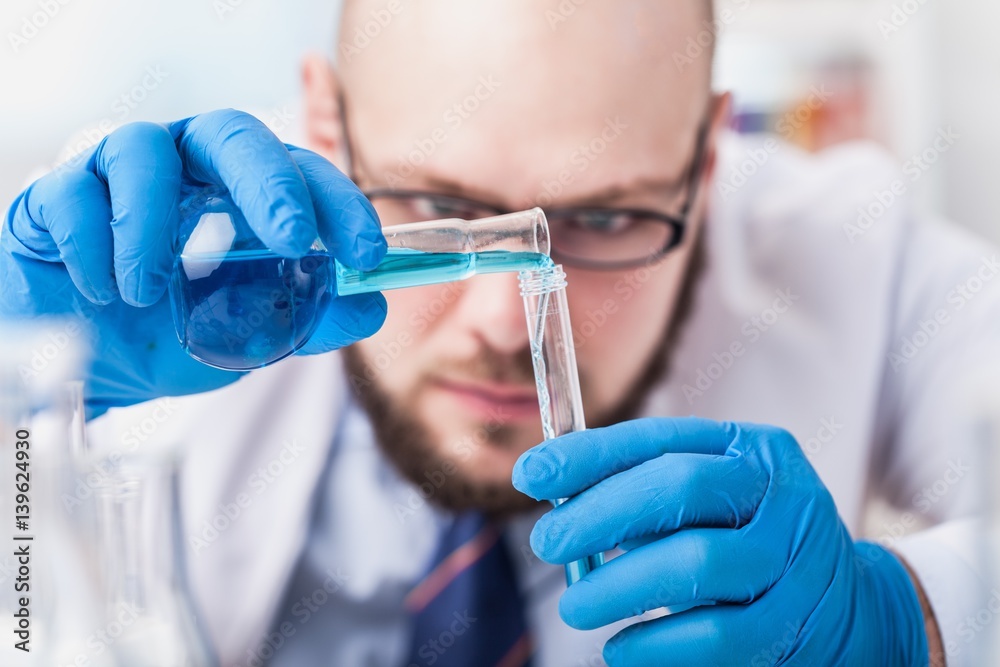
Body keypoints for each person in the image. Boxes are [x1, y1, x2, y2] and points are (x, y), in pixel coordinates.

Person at [2, 0, 997, 665]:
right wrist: (14, 389)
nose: (500, 321)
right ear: (325, 122)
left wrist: (913, 615)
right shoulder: (190, 251)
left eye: (605, 218)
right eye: (437, 201)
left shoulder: (853, 252)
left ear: (706, 160)